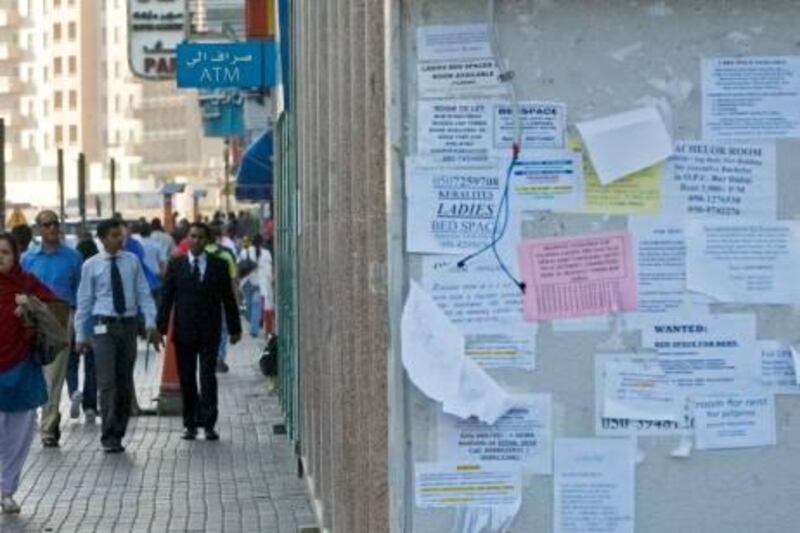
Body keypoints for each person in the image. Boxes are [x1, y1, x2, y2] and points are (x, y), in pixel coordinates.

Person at [74, 219, 162, 453]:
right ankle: (108, 435)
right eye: (113, 236)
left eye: (120, 235)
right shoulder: (91, 266)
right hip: (103, 328)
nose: (118, 239)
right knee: (106, 382)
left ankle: (119, 430)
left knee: (124, 380)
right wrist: (80, 335)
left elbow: (144, 293)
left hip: (128, 327)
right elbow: (84, 302)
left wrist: (152, 322)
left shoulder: (132, 262)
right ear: (103, 239)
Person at [157, 223, 241, 441]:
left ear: (207, 241)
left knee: (207, 377)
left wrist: (234, 328)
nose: (196, 240)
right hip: (184, 332)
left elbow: (228, 300)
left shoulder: (219, 265)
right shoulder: (176, 265)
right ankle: (190, 423)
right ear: (187, 239)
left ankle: (209, 423)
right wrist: (159, 329)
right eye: (193, 236)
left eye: (201, 237)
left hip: (209, 331)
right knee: (187, 379)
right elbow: (166, 299)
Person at [0, 233, 60, 514]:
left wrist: (32, 305)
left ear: (15, 256)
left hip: (22, 367)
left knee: (19, 434)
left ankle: (7, 490)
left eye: (5, 252)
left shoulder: (26, 283)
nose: (0, 257)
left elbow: (57, 307)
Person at [20, 211, 81, 448]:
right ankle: (29, 421)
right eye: (47, 225)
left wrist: (76, 322)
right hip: (33, 317)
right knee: (31, 372)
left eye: (56, 224)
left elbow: (78, 290)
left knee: (54, 377)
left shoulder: (72, 257)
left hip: (60, 316)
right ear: (39, 229)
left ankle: (48, 427)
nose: (53, 229)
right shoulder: (28, 259)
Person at [67, 234, 100, 424]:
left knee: (71, 362)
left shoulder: (75, 269)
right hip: (94, 323)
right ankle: (90, 406)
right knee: (92, 366)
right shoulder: (95, 269)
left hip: (73, 319)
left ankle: (73, 392)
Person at [206, 224, 238, 373]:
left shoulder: (199, 254)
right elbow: (233, 280)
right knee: (223, 329)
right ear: (219, 238)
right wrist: (235, 301)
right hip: (222, 299)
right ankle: (219, 358)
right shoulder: (227, 254)